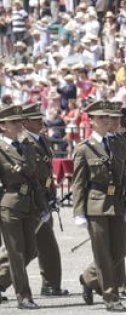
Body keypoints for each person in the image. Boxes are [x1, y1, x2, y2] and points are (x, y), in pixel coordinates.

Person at [73, 100, 126, 312]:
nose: (106, 120)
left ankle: (89, 278)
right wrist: (79, 212)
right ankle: (111, 298)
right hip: (95, 206)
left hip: (116, 203)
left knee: (122, 246)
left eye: (108, 117)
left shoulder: (118, 144)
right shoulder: (84, 148)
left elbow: (124, 177)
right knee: (103, 254)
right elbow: (78, 183)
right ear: (91, 121)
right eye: (101, 117)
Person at [0, 103, 49, 310]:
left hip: (29, 203)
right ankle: (24, 297)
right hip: (9, 204)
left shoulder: (26, 146)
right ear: (3, 126)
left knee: (30, 250)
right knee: (16, 253)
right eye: (14, 122)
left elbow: (35, 179)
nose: (19, 125)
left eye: (20, 121)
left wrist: (43, 205)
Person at [22, 103, 66, 298]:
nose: (40, 122)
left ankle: (50, 284)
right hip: (32, 199)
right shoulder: (24, 142)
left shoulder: (42, 140)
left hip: (45, 197)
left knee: (46, 245)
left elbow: (46, 171)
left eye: (40, 118)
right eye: (35, 119)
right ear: (25, 122)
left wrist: (51, 195)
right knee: (27, 248)